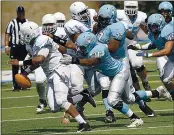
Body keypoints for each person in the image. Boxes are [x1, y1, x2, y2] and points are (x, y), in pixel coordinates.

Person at [60, 31, 172, 128]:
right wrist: (54, 38)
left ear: (89, 45)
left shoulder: (99, 49)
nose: (80, 49)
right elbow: (71, 45)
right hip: (113, 72)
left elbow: (92, 62)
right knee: (130, 98)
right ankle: (157, 92)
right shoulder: (90, 46)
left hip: (119, 73)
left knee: (112, 100)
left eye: (82, 47)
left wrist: (74, 60)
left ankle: (136, 119)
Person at [8, 21, 92, 132]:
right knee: (54, 107)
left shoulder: (42, 40)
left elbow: (40, 59)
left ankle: (83, 124)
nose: (22, 37)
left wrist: (19, 63)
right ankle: (82, 96)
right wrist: (25, 72)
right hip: (50, 74)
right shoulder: (32, 44)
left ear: (29, 34)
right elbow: (39, 61)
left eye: (23, 34)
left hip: (59, 70)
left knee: (62, 101)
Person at [136, 13, 174, 100]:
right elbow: (154, 44)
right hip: (172, 59)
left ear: (160, 25)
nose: (152, 29)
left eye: (154, 26)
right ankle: (169, 93)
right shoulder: (153, 34)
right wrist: (138, 47)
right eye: (151, 26)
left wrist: (149, 54)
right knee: (165, 80)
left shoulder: (168, 30)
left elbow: (167, 50)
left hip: (170, 56)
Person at [117, 1, 151, 91]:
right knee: (127, 70)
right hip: (119, 46)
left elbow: (147, 29)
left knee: (138, 64)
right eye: (128, 6)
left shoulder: (141, 16)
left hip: (133, 44)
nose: (131, 9)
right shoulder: (118, 14)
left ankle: (145, 82)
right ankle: (138, 91)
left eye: (133, 7)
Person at [5, 6, 28, 90]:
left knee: (24, 65)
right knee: (14, 66)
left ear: (24, 13)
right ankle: (15, 85)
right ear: (17, 13)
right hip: (14, 47)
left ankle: (23, 84)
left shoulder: (27, 22)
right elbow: (7, 34)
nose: (21, 14)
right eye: (19, 13)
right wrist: (7, 46)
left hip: (23, 46)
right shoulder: (12, 23)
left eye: (22, 12)